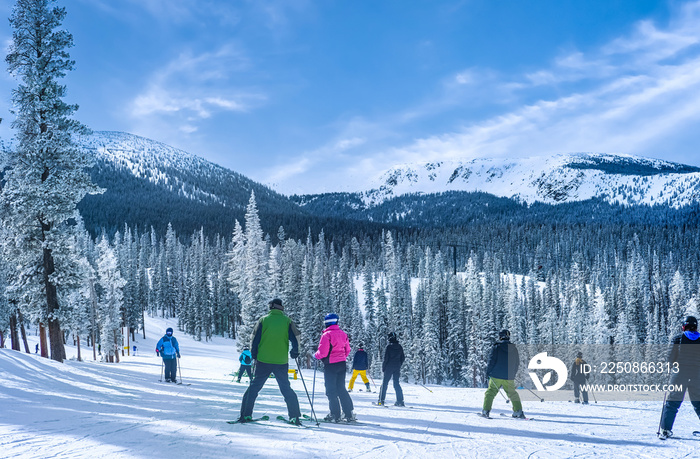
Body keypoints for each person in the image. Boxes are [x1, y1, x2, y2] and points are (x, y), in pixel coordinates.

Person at [237, 298, 303, 425]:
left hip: (263, 360)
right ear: (281, 307)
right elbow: (296, 337)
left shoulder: (263, 320)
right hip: (281, 361)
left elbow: (254, 338)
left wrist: (254, 354)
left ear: (271, 307)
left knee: (254, 387)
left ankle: (245, 414)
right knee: (286, 389)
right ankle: (294, 416)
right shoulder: (287, 321)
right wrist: (295, 351)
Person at [658, 316, 700, 439]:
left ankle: (666, 429)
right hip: (697, 375)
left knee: (672, 402)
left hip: (679, 375)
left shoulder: (677, 338)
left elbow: (670, 358)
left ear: (683, 326)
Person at [314, 313, 355, 422]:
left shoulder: (327, 335)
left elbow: (323, 352)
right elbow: (348, 350)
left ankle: (335, 414)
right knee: (341, 388)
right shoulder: (343, 334)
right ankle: (349, 413)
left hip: (331, 365)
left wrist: (315, 356)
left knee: (331, 390)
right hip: (342, 364)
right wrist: (341, 357)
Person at [480, 329, 525, 419]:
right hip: (509, 376)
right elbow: (517, 363)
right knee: (512, 393)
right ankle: (518, 412)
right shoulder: (514, 348)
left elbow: (491, 360)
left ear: (500, 337)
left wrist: (488, 372)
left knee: (490, 392)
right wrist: (513, 374)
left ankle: (486, 411)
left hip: (496, 375)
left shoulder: (496, 347)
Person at [377, 331, 405, 406]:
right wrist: (399, 364)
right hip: (397, 367)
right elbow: (403, 358)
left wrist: (384, 367)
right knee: (396, 383)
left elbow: (386, 358)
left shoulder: (389, 347)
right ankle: (400, 401)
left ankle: (381, 400)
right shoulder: (400, 347)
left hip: (389, 367)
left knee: (385, 384)